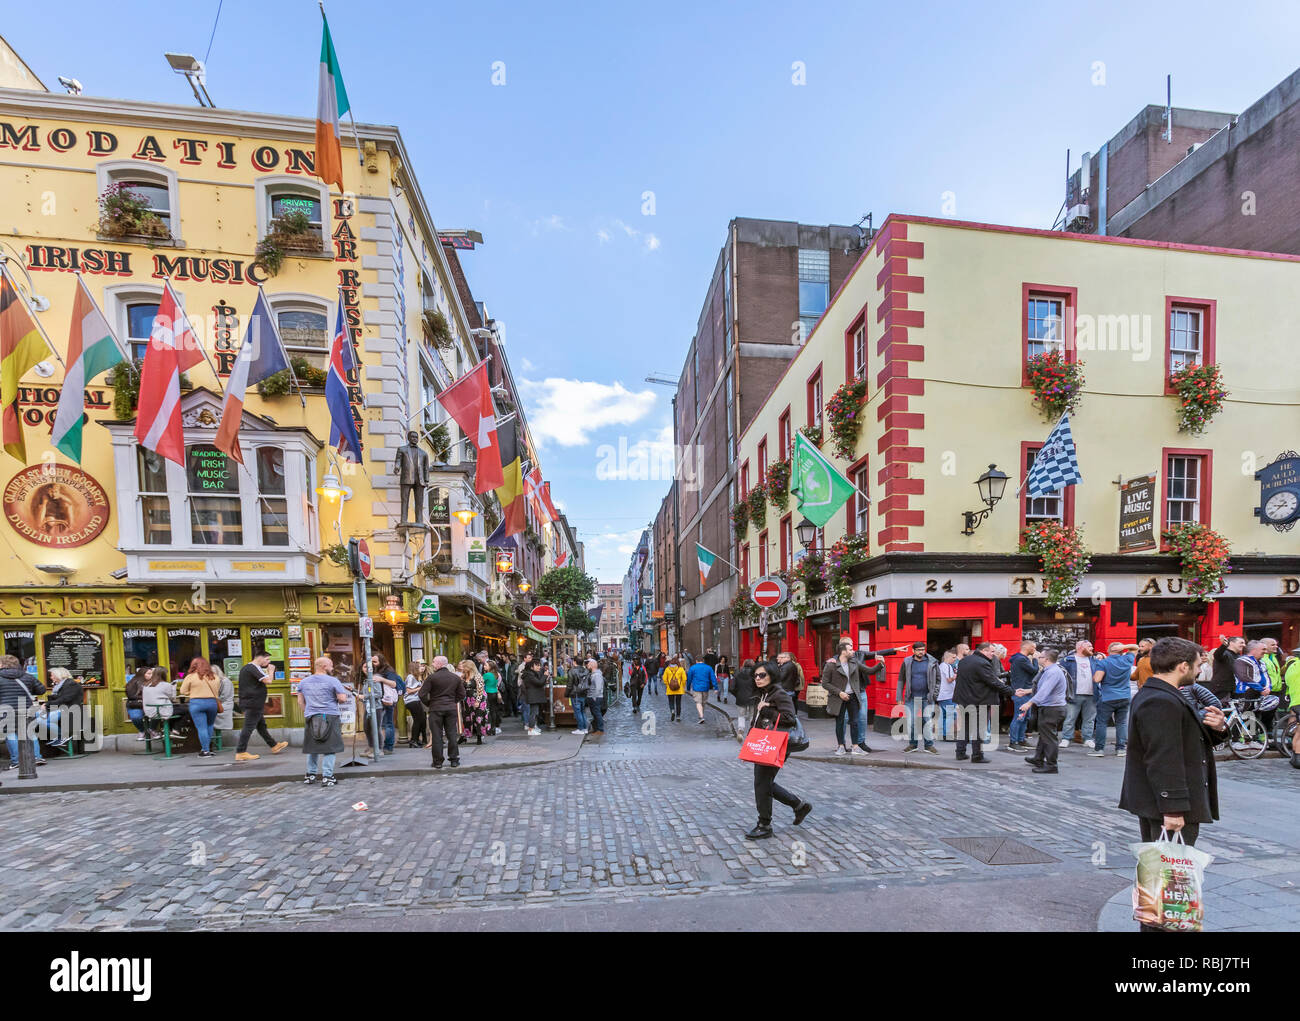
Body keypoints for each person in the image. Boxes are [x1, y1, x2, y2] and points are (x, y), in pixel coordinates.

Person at [1119, 637, 1227, 931]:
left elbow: (1186, 740)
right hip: (1169, 805)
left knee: (1163, 878)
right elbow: (1163, 758)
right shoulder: (1160, 699)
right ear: (1182, 666)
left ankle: (1161, 925)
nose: (1199, 667)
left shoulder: (1166, 693)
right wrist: (1173, 808)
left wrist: (1218, 728)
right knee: (1167, 879)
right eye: (1197, 663)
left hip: (1167, 803)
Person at [743, 662, 812, 840]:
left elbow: (789, 718)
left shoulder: (780, 694)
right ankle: (798, 805)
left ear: (772, 676)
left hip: (776, 744)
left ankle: (764, 825)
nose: (758, 678)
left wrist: (767, 710)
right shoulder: (763, 693)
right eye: (756, 675)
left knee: (761, 783)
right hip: (763, 743)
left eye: (762, 675)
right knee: (764, 783)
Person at [953, 642, 1013, 762]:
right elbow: (992, 682)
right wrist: (1012, 691)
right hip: (979, 700)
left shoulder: (965, 660)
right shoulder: (982, 663)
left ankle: (960, 752)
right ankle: (977, 756)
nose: (993, 654)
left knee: (965, 727)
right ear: (984, 651)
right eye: (991, 651)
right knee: (979, 729)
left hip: (964, 699)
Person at [298, 656, 349, 787]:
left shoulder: (304, 682)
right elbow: (342, 699)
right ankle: (327, 776)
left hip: (311, 717)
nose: (332, 668)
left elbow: (300, 702)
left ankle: (310, 775)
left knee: (312, 748)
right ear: (324, 666)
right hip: (330, 716)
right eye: (331, 665)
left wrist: (308, 712)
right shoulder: (333, 681)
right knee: (330, 748)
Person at [1016, 648, 1067, 773]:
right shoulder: (1048, 671)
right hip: (1049, 707)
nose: (1038, 658)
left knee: (1049, 737)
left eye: (1041, 657)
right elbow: (1042, 688)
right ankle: (1038, 758)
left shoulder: (1053, 672)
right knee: (1045, 734)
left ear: (1046, 659)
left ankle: (1051, 765)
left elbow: (1045, 691)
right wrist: (1027, 691)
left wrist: (1029, 703)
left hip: (1052, 708)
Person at [821, 639, 872, 755]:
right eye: (850, 648)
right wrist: (839, 693)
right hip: (839, 697)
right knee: (840, 722)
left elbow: (869, 670)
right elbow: (825, 683)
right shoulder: (831, 663)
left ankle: (855, 747)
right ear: (843, 651)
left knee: (855, 722)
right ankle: (841, 746)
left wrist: (881, 664)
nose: (853, 651)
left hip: (853, 696)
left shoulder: (854, 661)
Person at [235, 651, 288, 761]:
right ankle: (241, 752)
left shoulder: (252, 668)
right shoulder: (252, 668)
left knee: (261, 726)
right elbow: (268, 681)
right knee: (248, 727)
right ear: (260, 658)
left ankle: (274, 745)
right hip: (252, 703)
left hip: (254, 702)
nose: (269, 662)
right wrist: (271, 671)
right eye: (267, 659)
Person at [1089, 642, 1139, 758]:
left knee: (1102, 723)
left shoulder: (1104, 663)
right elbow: (1135, 647)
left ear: (1108, 650)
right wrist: (1124, 647)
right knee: (1121, 723)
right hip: (1125, 696)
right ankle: (1121, 749)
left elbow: (1097, 679)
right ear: (1121, 650)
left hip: (1108, 697)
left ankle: (1099, 749)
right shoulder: (1127, 659)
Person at [420, 655, 467, 767]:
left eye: (434, 662)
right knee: (452, 734)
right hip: (450, 708)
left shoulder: (432, 678)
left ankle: (437, 762)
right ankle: (454, 759)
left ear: (440, 664)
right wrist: (453, 701)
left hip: (436, 708)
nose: (432, 664)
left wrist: (429, 703)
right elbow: (462, 694)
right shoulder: (455, 677)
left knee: (437, 735)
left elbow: (422, 694)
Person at [0, 654, 45, 768]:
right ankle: (36, 757)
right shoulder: (27, 676)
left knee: (10, 733)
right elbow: (41, 690)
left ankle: (17, 761)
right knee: (30, 732)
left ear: (2, 664)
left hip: (5, 710)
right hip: (26, 708)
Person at [896, 642, 941, 754]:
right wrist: (899, 696)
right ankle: (913, 744)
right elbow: (901, 679)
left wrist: (934, 694)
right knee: (911, 722)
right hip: (911, 697)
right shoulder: (907, 662)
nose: (921, 652)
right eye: (919, 650)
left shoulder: (933, 662)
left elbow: (938, 680)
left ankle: (929, 746)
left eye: (923, 649)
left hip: (927, 698)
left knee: (927, 722)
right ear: (913, 651)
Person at [1059, 640, 1101, 748]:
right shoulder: (1067, 660)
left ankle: (1088, 738)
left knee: (1089, 719)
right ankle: (1066, 738)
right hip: (1074, 694)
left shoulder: (1094, 660)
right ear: (1080, 647)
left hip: (1092, 694)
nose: (1092, 647)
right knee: (1070, 718)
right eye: (1089, 646)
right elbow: (1061, 676)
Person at [180, 657, 223, 757]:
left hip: (197, 703)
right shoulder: (215, 676)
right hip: (212, 703)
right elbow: (218, 690)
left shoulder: (190, 677)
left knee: (201, 728)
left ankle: (205, 750)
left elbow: (183, 691)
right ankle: (208, 748)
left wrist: (193, 692)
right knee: (210, 725)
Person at [1006, 640, 1039, 753]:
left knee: (1024, 718)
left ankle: (1020, 740)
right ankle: (1013, 742)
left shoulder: (1020, 659)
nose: (1035, 650)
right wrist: (1035, 659)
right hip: (1021, 692)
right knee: (1019, 717)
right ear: (1027, 647)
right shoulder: (1021, 659)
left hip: (1024, 692)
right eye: (1033, 647)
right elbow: (1034, 671)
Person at [44, 666, 84, 748]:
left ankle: (62, 736)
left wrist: (47, 704)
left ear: (59, 675)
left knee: (46, 719)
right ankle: (59, 737)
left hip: (70, 710)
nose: (51, 678)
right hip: (62, 709)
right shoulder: (60, 685)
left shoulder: (71, 684)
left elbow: (65, 699)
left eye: (52, 675)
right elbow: (60, 698)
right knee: (40, 717)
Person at [371, 653, 402, 754]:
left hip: (387, 700)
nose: (373, 664)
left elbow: (394, 684)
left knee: (388, 724)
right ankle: (381, 746)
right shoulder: (375, 670)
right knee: (382, 724)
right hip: (380, 700)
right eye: (372, 662)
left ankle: (388, 746)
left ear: (381, 661)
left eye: (375, 662)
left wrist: (381, 679)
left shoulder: (388, 670)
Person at [459, 659, 491, 744]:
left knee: (478, 717)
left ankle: (479, 736)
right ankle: (465, 735)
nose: (463, 668)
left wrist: (477, 701)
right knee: (467, 717)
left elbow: (480, 689)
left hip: (478, 699)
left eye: (464, 667)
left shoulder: (477, 675)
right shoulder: (463, 676)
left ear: (469, 667)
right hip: (467, 700)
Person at [572, 658, 606, 734]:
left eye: (588, 664)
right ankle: (596, 729)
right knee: (595, 714)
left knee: (597, 714)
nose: (587, 665)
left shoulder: (597, 675)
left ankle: (600, 729)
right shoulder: (592, 674)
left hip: (595, 698)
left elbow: (598, 687)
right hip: (592, 697)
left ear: (592, 665)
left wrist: (594, 697)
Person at [1209, 635, 1244, 704]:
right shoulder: (1225, 654)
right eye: (1241, 643)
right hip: (1223, 691)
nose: (1244, 645)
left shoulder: (1239, 656)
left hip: (1236, 690)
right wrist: (1224, 645)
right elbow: (1217, 655)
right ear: (1231, 643)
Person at [404, 659, 429, 748]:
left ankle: (416, 739)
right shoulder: (410, 677)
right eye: (419, 667)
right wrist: (421, 687)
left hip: (416, 700)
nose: (421, 668)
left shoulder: (415, 677)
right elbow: (408, 690)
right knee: (418, 720)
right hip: (411, 701)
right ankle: (413, 740)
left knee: (421, 720)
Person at [686, 654, 717, 724]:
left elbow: (689, 679)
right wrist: (716, 688)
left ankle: (701, 716)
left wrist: (688, 687)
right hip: (706, 687)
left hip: (696, 687)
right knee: (703, 702)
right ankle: (701, 715)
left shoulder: (693, 668)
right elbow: (713, 678)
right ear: (703, 660)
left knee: (698, 702)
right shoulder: (708, 668)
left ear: (696, 661)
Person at [125, 666, 154, 740]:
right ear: (142, 674)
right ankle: (142, 730)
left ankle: (152, 729)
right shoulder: (133, 682)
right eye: (149, 673)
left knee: (161, 713)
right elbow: (131, 695)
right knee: (136, 717)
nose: (151, 675)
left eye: (152, 673)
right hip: (137, 705)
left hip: (151, 704)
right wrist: (145, 697)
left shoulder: (154, 682)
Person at [520, 653, 547, 735]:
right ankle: (531, 729)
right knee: (533, 713)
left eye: (539, 665)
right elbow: (539, 683)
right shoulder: (529, 675)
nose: (539, 667)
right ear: (532, 667)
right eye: (537, 665)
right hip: (533, 696)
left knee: (535, 712)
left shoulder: (532, 674)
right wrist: (545, 676)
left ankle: (533, 727)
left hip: (535, 696)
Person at [936, 649, 959, 741]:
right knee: (951, 715)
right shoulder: (947, 666)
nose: (955, 659)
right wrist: (956, 675)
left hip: (942, 695)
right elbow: (949, 679)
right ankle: (947, 734)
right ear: (947, 657)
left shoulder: (941, 666)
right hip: (948, 694)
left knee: (943, 715)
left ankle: (942, 734)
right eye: (953, 657)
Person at [483, 659, 504, 735]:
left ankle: (489, 729)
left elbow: (480, 683)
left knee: (488, 711)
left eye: (485, 665)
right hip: (495, 693)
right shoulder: (497, 674)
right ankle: (493, 728)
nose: (484, 666)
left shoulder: (487, 675)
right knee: (493, 711)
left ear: (490, 667)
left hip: (488, 693)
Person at [663, 656, 687, 722]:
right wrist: (683, 686)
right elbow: (684, 679)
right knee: (678, 703)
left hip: (670, 689)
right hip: (679, 689)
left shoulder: (667, 669)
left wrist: (668, 685)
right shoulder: (681, 669)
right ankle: (678, 717)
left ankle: (672, 711)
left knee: (671, 702)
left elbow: (664, 679)